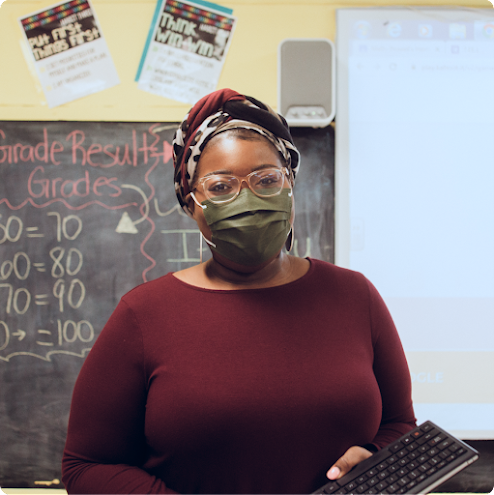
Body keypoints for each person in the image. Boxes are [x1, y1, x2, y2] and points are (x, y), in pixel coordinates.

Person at [62, 88, 416, 495]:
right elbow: (86, 467)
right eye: (220, 187)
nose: (247, 199)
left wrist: (377, 457)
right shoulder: (144, 315)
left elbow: (399, 425)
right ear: (191, 202)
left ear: (289, 184)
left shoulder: (355, 296)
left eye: (266, 179)